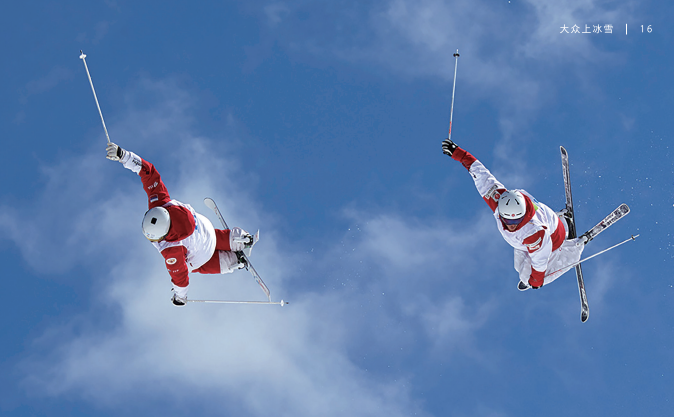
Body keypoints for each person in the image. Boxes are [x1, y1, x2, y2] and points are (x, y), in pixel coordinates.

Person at [106, 142, 254, 306]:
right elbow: (149, 173)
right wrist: (123, 155)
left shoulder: (172, 250)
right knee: (213, 236)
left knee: (195, 266)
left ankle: (233, 260)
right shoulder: (160, 202)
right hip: (205, 228)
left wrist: (180, 296)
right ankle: (239, 239)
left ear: (162, 236)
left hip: (202, 252)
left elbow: (180, 276)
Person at [442, 138, 587, 290]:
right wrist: (457, 153)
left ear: (523, 214)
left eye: (517, 221)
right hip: (542, 225)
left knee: (527, 277)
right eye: (508, 221)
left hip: (552, 241)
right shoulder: (499, 199)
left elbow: (540, 260)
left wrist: (536, 281)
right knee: (519, 266)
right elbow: (481, 175)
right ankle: (563, 219)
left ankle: (572, 249)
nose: (512, 225)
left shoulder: (533, 233)